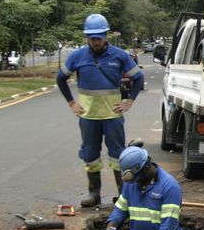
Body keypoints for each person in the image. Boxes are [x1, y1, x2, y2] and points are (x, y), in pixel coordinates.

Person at [57, 13, 145, 207]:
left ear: (106, 36)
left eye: (98, 37)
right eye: (91, 38)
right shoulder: (77, 56)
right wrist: (72, 103)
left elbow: (138, 78)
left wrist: (129, 101)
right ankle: (94, 194)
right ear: (86, 37)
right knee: (90, 155)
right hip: (88, 117)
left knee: (118, 156)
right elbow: (60, 78)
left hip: (112, 116)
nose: (95, 41)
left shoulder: (119, 55)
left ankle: (123, 196)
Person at [104, 144, 186, 230]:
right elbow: (120, 210)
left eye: (137, 179)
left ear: (146, 168)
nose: (135, 183)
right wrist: (110, 228)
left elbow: (167, 226)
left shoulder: (170, 187)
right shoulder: (131, 183)